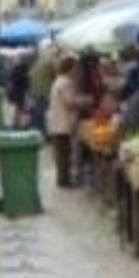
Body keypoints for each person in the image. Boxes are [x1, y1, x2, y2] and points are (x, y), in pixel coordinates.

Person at [44, 57, 90, 188]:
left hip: (57, 122)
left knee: (61, 152)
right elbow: (70, 101)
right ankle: (64, 180)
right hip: (62, 123)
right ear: (70, 68)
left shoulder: (59, 81)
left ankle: (62, 178)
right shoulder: (66, 83)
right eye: (75, 68)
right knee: (64, 152)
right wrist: (85, 101)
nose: (77, 71)